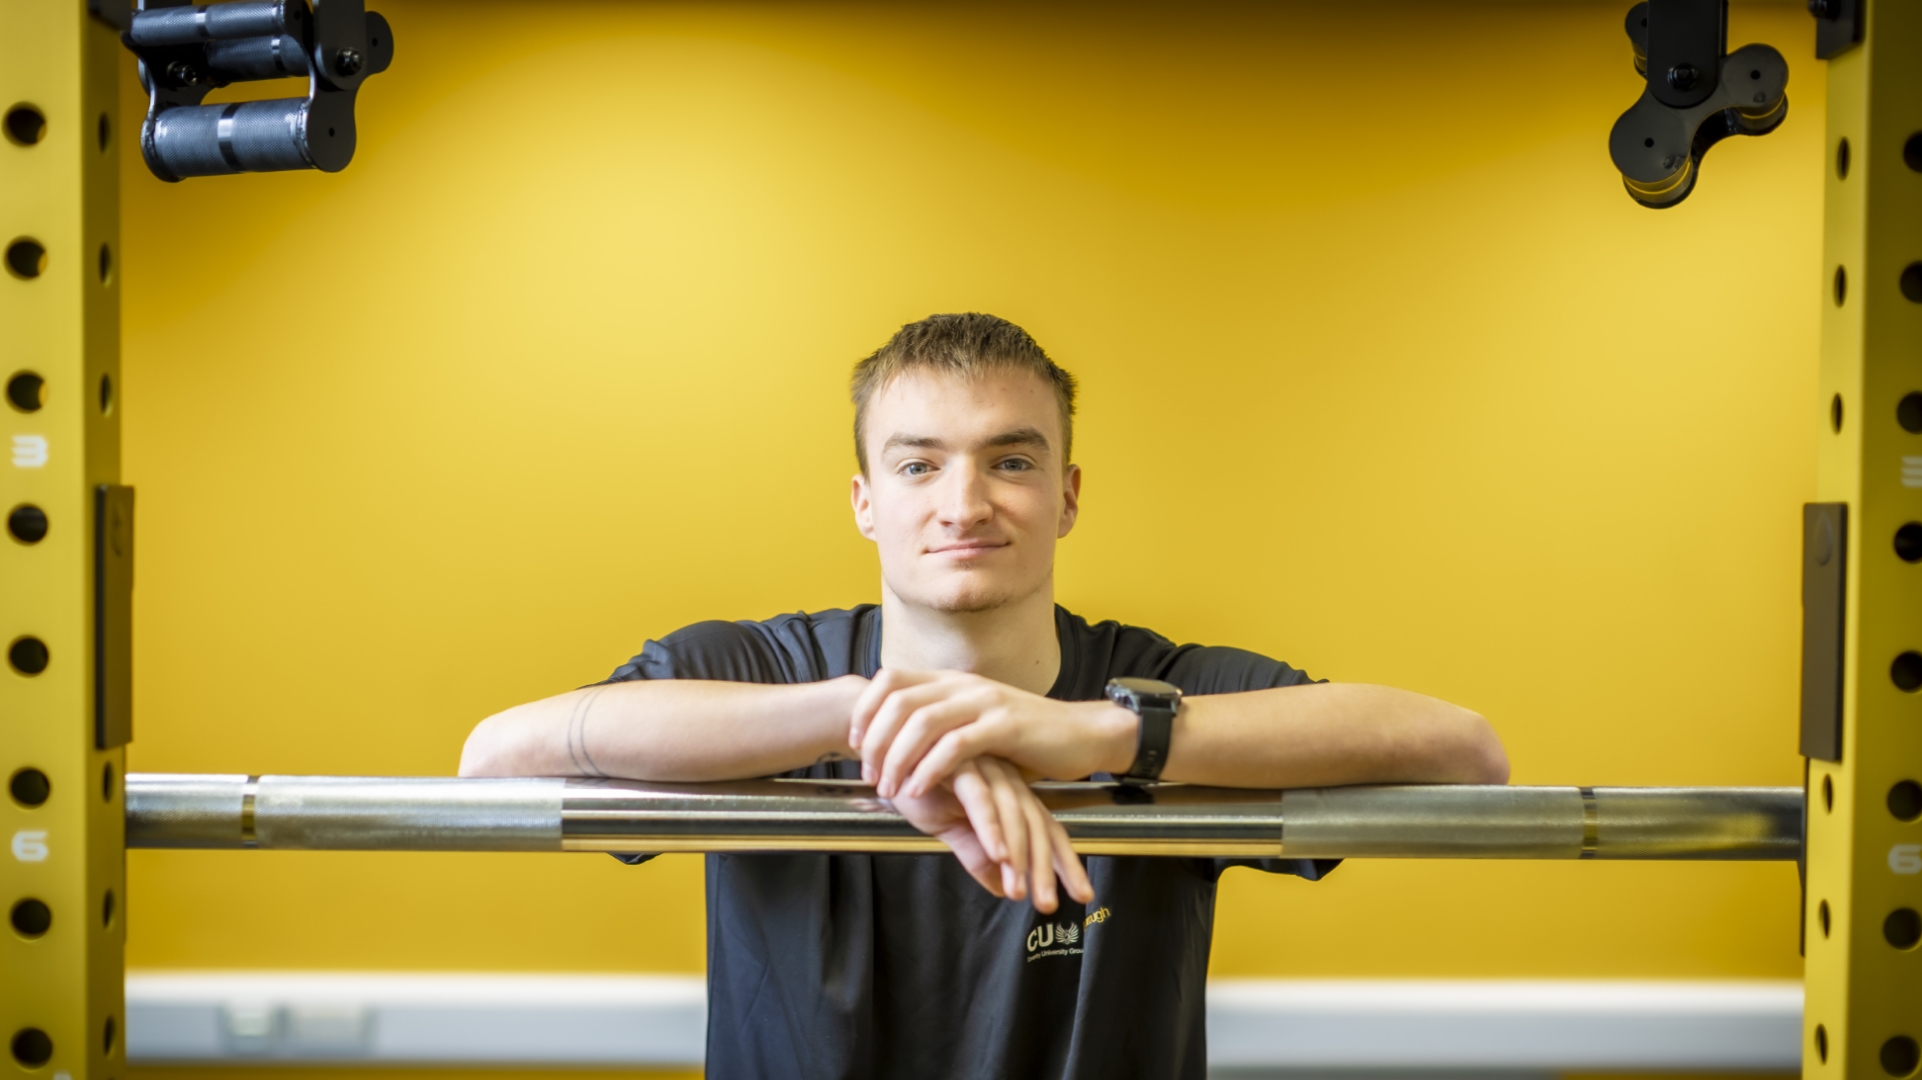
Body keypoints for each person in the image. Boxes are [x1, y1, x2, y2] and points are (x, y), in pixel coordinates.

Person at [459, 313, 1508, 1080]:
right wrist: (876, 714)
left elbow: (1461, 753)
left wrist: (1088, 735)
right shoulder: (758, 672)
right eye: (918, 467)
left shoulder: (1156, 690)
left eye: (1009, 460)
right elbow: (496, 757)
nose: (963, 504)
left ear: (1066, 496)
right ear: (866, 503)